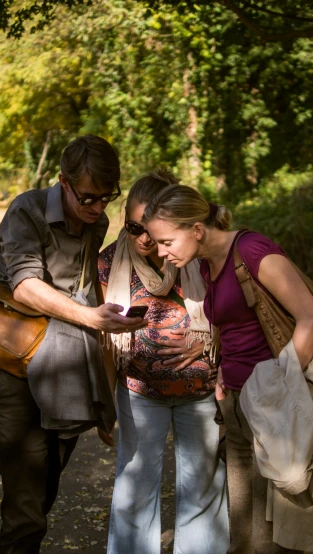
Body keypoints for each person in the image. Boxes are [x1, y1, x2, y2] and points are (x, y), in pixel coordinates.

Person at [142, 185, 313, 554]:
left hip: (274, 402)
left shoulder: (252, 250)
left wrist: (281, 386)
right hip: (237, 405)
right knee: (248, 528)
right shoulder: (202, 264)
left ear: (196, 230)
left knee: (307, 518)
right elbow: (235, 326)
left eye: (166, 241)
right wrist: (225, 369)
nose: (161, 252)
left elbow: (312, 319)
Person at [0, 134, 146, 554]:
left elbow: (89, 290)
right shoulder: (27, 210)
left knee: (45, 494)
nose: (97, 209)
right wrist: (91, 317)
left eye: (106, 199)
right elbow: (24, 286)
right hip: (16, 371)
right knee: (25, 510)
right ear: (63, 181)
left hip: (68, 373)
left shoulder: (98, 222)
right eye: (88, 198)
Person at [97, 170, 229, 554]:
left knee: (203, 490)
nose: (141, 238)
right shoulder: (109, 262)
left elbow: (230, 311)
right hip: (139, 392)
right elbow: (105, 337)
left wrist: (206, 342)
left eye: (149, 229)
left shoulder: (194, 253)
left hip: (200, 392)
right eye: (133, 227)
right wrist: (105, 403)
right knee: (134, 491)